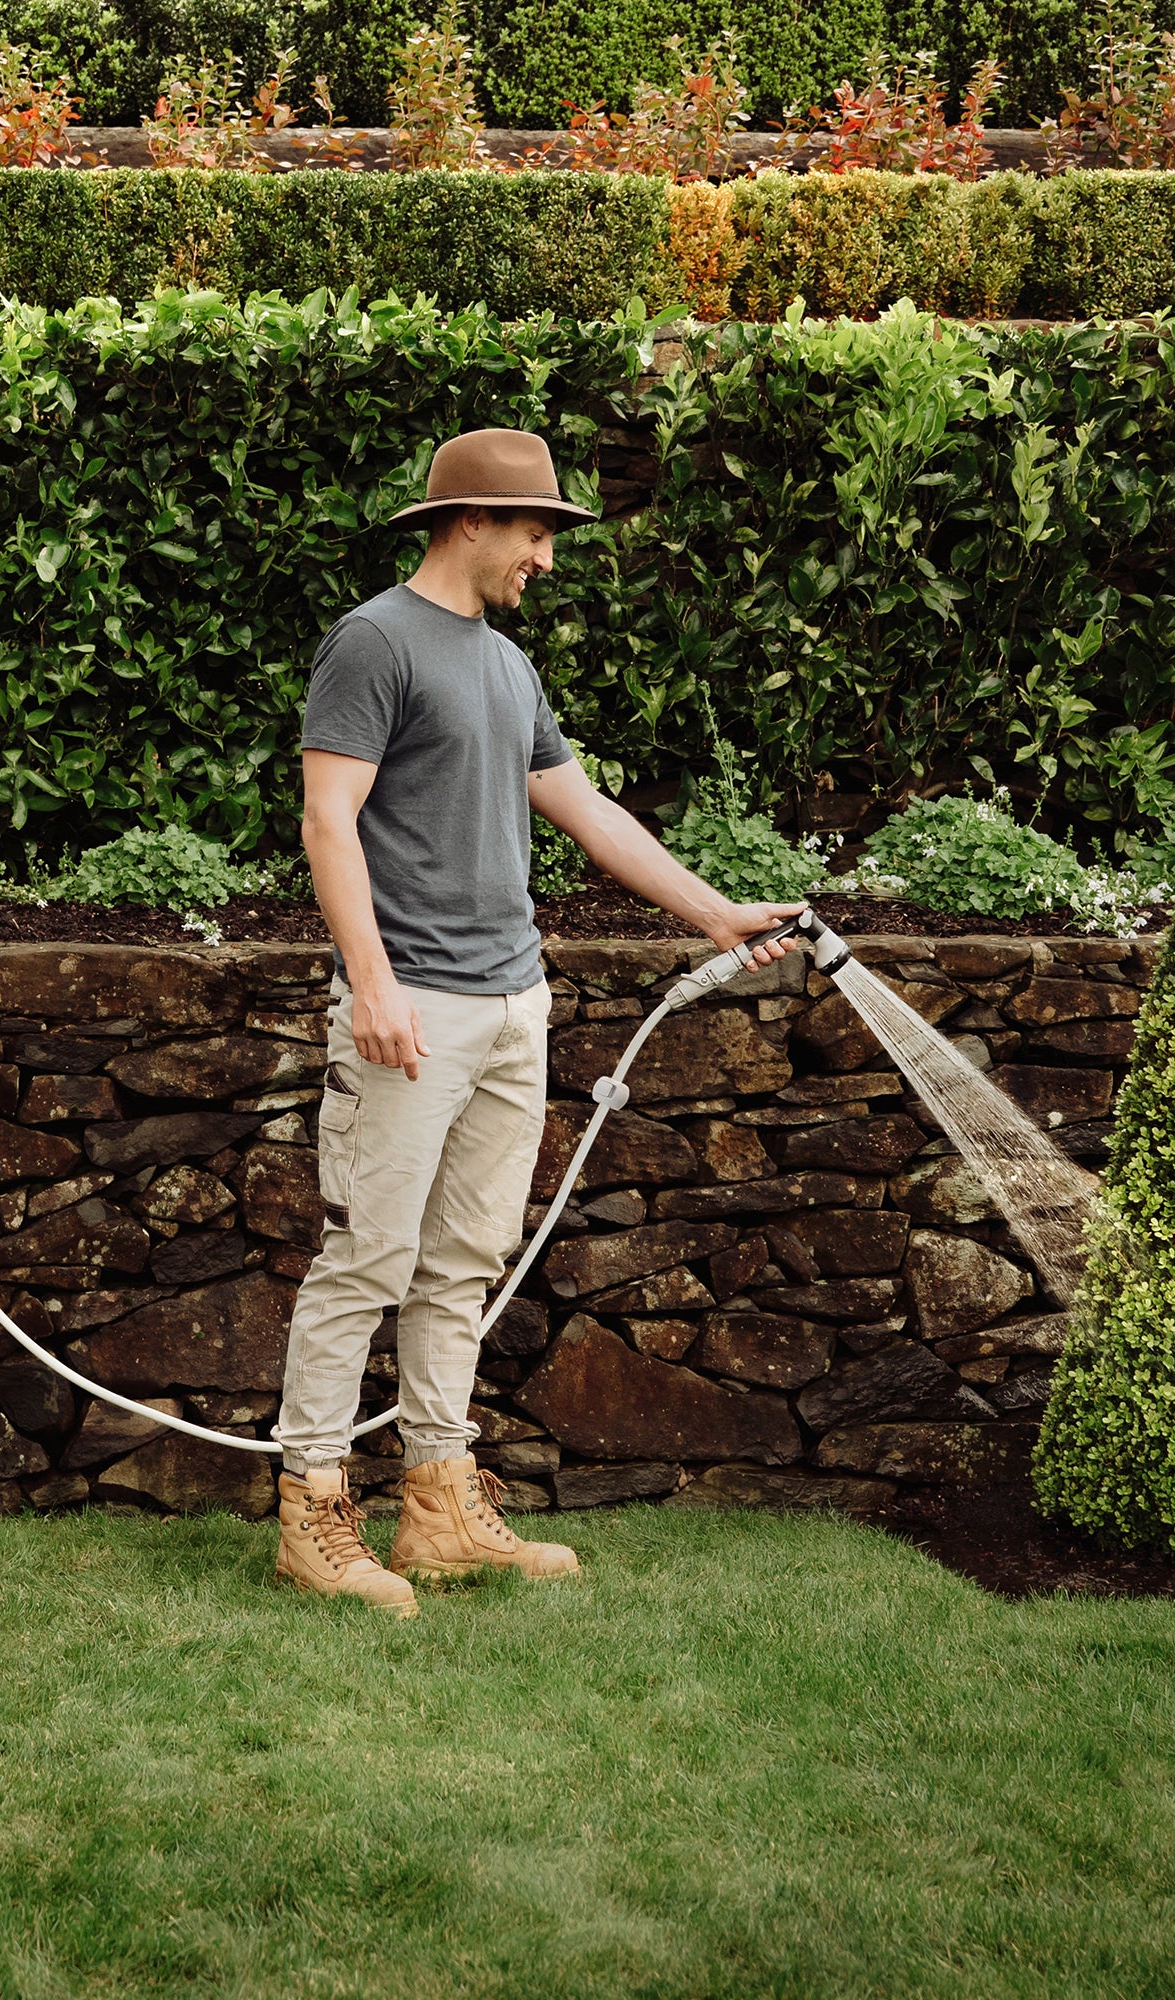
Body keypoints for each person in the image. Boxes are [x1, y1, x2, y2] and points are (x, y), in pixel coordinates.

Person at [272, 426, 807, 1618]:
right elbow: (327, 818)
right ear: (470, 519)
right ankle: (312, 1511)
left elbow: (584, 807)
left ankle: (439, 1504)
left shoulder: (506, 667)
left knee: (462, 1263)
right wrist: (371, 979)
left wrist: (712, 912)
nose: (547, 556)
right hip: (412, 1006)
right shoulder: (371, 642)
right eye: (535, 531)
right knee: (366, 1260)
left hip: (515, 1001)